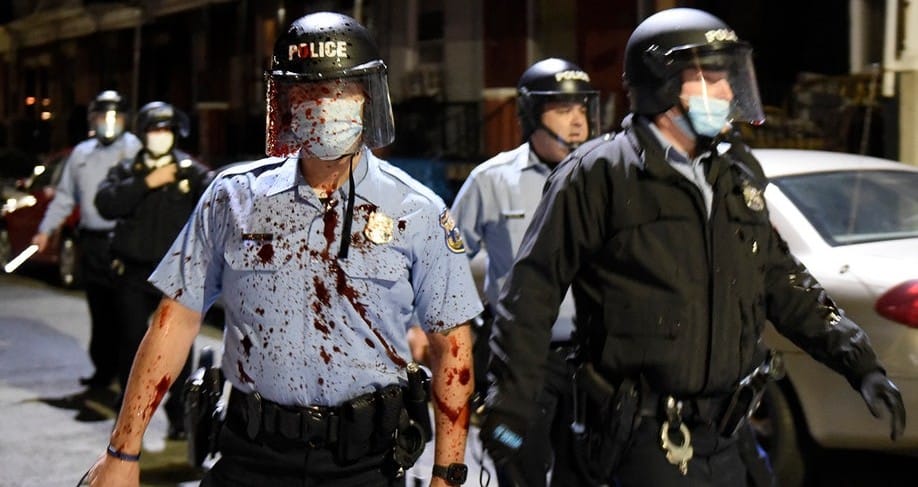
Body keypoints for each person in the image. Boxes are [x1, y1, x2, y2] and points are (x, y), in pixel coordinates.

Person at [478, 8, 906, 487]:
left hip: (729, 434)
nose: (726, 92)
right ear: (660, 82)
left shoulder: (733, 175)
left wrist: (859, 362)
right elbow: (531, 294)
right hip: (639, 438)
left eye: (728, 77)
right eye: (711, 77)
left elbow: (781, 280)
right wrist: (510, 408)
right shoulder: (599, 175)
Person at [83, 11, 481, 487]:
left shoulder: (418, 211)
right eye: (309, 91)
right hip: (251, 453)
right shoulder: (232, 198)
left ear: (367, 98)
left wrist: (448, 476)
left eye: (342, 90)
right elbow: (176, 322)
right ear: (287, 102)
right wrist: (122, 452)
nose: (326, 105)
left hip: (367, 464)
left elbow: (451, 347)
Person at [450, 57, 600, 486]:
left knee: (586, 474)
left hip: (593, 360)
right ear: (533, 114)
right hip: (520, 363)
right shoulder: (492, 180)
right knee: (519, 470)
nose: (577, 122)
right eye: (563, 109)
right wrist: (460, 331)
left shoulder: (605, 176)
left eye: (582, 109)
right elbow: (448, 260)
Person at [94, 101, 212, 440]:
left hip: (176, 276)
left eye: (166, 130)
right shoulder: (127, 169)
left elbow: (215, 202)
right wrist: (147, 182)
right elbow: (106, 204)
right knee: (132, 344)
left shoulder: (190, 172)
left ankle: (179, 418)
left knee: (179, 348)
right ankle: (129, 419)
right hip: (132, 274)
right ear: (143, 134)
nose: (160, 135)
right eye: (154, 130)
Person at [32, 90, 143, 390]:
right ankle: (102, 371)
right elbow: (65, 198)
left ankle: (127, 378)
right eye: (103, 117)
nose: (109, 123)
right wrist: (46, 230)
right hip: (93, 243)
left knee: (127, 315)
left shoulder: (135, 150)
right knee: (100, 309)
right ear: (93, 120)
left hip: (125, 244)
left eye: (115, 117)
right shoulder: (80, 154)